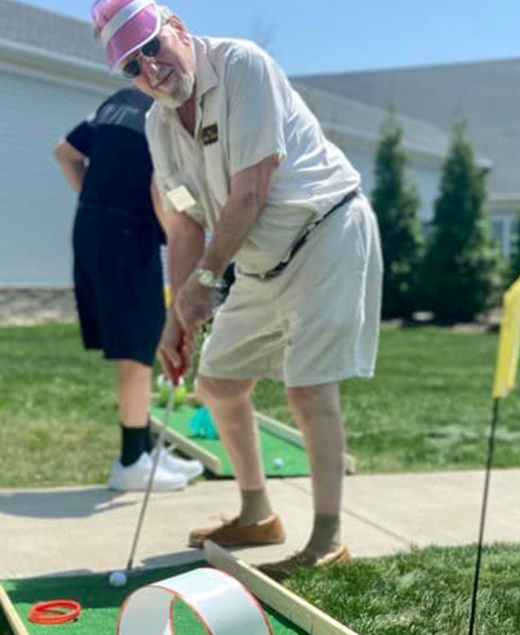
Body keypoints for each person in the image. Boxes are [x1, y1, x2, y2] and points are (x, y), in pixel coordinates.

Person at [90, 2, 383, 579]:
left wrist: (204, 281)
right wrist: (178, 311)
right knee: (218, 383)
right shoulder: (157, 125)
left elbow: (251, 189)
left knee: (308, 390)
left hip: (324, 231)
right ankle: (257, 514)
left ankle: (326, 539)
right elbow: (181, 224)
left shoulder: (244, 66)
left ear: (176, 25)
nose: (150, 68)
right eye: (131, 65)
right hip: (254, 260)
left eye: (152, 45)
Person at [54, 88, 202, 492]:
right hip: (126, 235)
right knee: (137, 351)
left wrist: (95, 200)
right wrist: (183, 235)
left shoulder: (117, 101)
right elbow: (161, 190)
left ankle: (147, 449)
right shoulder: (167, 115)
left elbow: (65, 153)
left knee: (145, 337)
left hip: (92, 229)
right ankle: (130, 463)